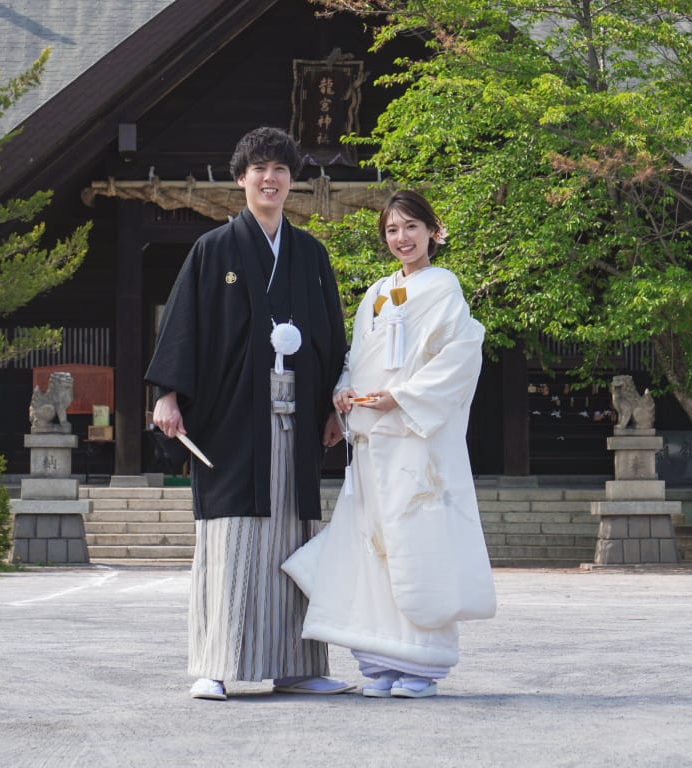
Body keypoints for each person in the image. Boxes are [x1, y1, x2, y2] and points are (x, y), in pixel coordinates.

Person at [146, 126, 352, 701]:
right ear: (241, 180)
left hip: (297, 416)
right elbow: (182, 326)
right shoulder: (214, 250)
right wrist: (167, 395)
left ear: (292, 182)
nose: (271, 179)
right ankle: (215, 662)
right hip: (233, 418)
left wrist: (336, 404)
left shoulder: (310, 253)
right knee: (231, 536)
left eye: (281, 170)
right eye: (259, 169)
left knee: (294, 534)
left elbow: (333, 337)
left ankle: (297, 665)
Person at [283, 189, 496, 699]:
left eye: (411, 228)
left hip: (416, 442)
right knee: (370, 546)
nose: (401, 239)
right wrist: (343, 390)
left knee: (418, 543)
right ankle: (378, 661)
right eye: (392, 230)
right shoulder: (377, 291)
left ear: (432, 231)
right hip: (372, 441)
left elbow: (461, 356)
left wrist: (399, 396)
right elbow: (357, 355)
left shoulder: (445, 288)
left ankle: (420, 666)